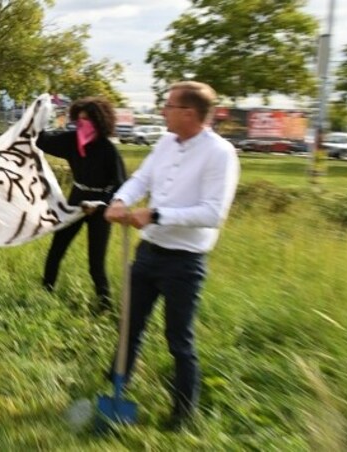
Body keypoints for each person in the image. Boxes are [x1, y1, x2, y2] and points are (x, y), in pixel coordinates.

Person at [103, 81, 240, 430]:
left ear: (189, 113)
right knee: (129, 325)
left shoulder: (220, 153)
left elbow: (213, 213)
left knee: (179, 340)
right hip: (148, 252)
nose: (163, 110)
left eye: (169, 105)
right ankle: (117, 387)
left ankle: (182, 413)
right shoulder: (165, 143)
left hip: (184, 261)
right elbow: (142, 180)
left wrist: (158, 215)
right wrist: (121, 200)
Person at [36, 97, 127, 314]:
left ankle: (104, 305)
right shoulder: (71, 141)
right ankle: (45, 291)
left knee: (96, 260)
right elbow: (42, 141)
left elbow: (119, 185)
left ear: (100, 121)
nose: (83, 124)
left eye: (88, 119)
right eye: (80, 119)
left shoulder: (108, 150)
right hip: (76, 202)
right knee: (57, 248)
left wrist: (102, 203)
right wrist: (40, 115)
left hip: (99, 208)